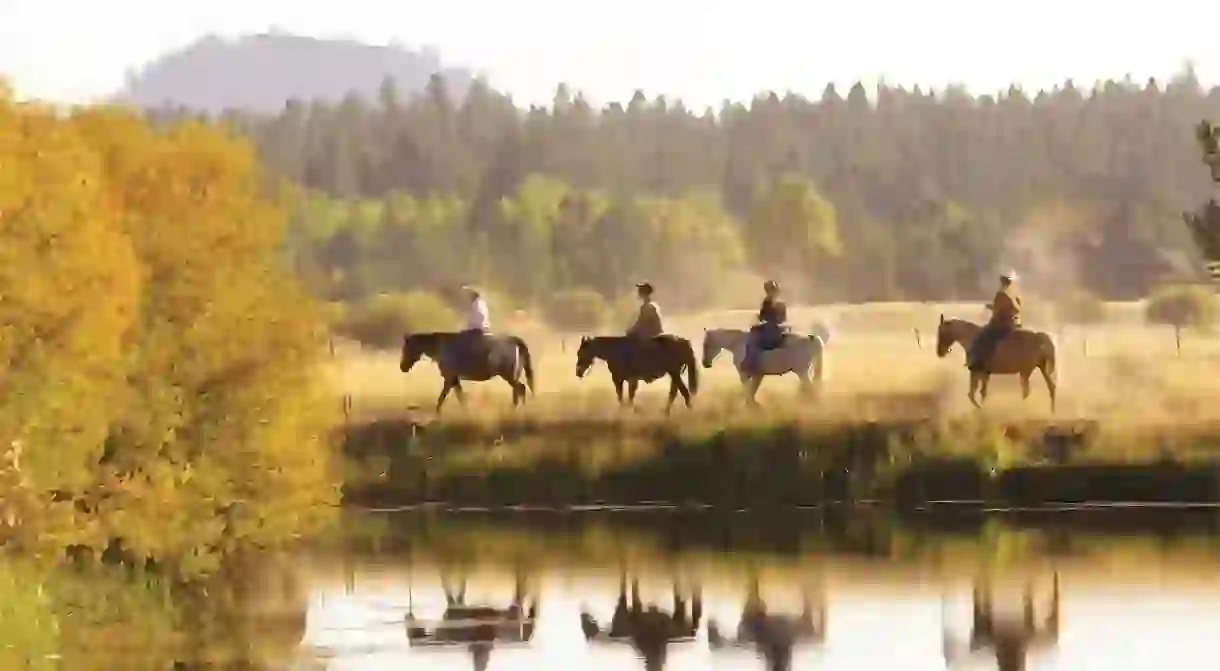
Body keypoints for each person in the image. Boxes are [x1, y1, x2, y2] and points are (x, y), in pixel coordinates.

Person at [967, 271, 1022, 372]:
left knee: (983, 337)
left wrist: (990, 307)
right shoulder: (1012, 295)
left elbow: (997, 309)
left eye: (1003, 283)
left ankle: (981, 362)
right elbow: (1015, 309)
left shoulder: (1001, 294)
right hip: (1011, 324)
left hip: (1002, 325)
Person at [743, 280, 789, 376]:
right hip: (779, 329)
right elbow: (783, 318)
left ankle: (752, 365)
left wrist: (759, 320)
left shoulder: (767, 302)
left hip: (770, 330)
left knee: (752, 342)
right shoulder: (781, 303)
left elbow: (763, 316)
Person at [458, 286, 491, 357]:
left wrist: (470, 326)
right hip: (483, 327)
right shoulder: (481, 303)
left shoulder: (477, 304)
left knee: (462, 338)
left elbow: (478, 317)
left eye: (471, 295)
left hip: (478, 328)